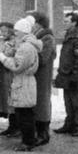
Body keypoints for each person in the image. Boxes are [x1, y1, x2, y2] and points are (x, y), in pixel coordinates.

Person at [0, 17, 42, 151]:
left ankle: (27, 142)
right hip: (24, 82)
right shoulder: (26, 45)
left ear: (22, 31)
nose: (14, 33)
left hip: (23, 82)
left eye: (16, 31)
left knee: (25, 114)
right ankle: (27, 141)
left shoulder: (25, 47)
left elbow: (17, 66)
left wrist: (3, 58)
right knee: (24, 113)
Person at [53, 12, 78, 137]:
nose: (64, 23)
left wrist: (75, 76)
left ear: (74, 22)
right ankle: (69, 124)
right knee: (68, 100)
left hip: (74, 75)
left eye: (66, 21)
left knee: (77, 101)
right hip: (66, 74)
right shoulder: (70, 36)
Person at [28, 11, 57, 146]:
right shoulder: (37, 36)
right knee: (37, 103)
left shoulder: (47, 38)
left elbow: (43, 58)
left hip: (42, 76)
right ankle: (38, 131)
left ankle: (43, 133)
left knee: (42, 103)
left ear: (39, 24)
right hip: (36, 75)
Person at [0, 21, 20, 138]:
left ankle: (16, 127)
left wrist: (0, 55)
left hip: (11, 74)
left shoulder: (15, 42)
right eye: (1, 31)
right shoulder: (2, 41)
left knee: (13, 100)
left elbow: (10, 55)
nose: (3, 33)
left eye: (5, 31)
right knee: (7, 101)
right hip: (4, 74)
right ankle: (11, 126)